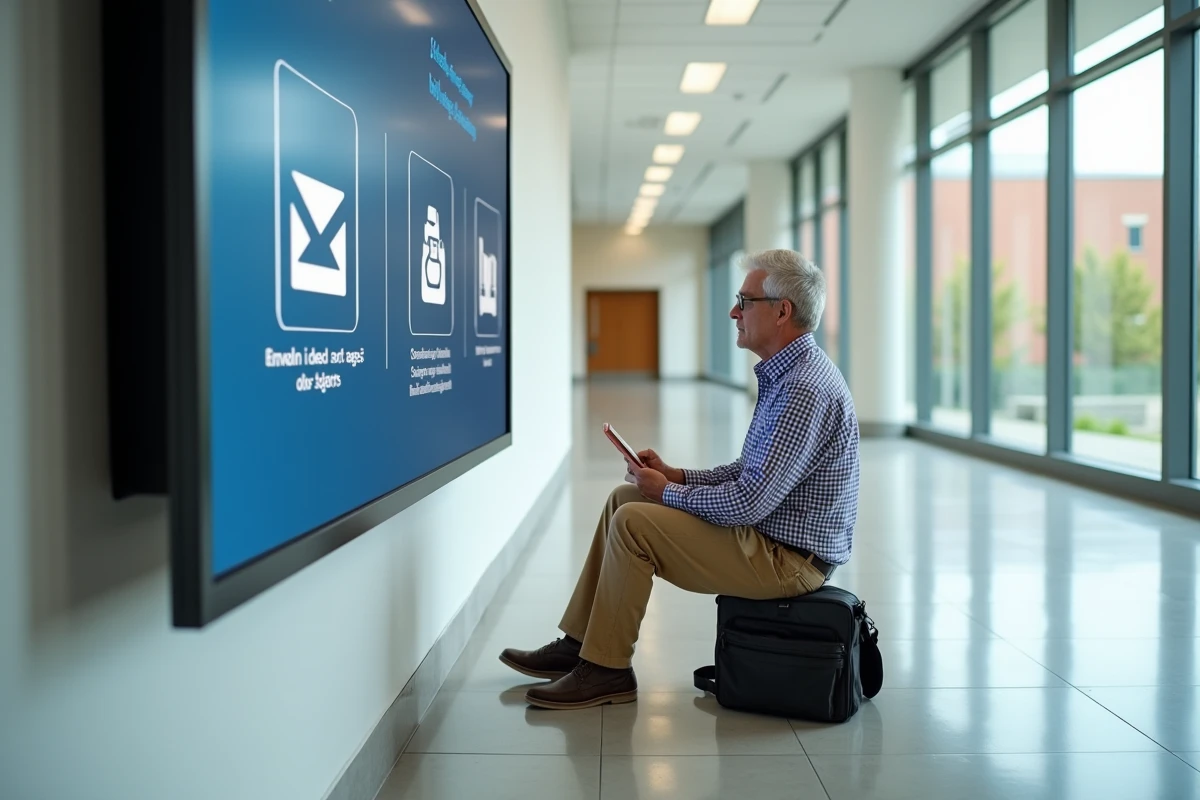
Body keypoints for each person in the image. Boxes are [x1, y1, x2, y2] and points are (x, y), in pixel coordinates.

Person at [500, 249, 860, 711]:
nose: (734, 311)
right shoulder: (789, 377)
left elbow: (749, 502)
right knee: (623, 498)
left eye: (744, 301)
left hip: (788, 561)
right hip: (771, 539)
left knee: (634, 523)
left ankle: (608, 671)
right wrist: (676, 475)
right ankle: (581, 643)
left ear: (782, 311)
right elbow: (749, 472)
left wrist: (668, 493)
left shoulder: (804, 389)